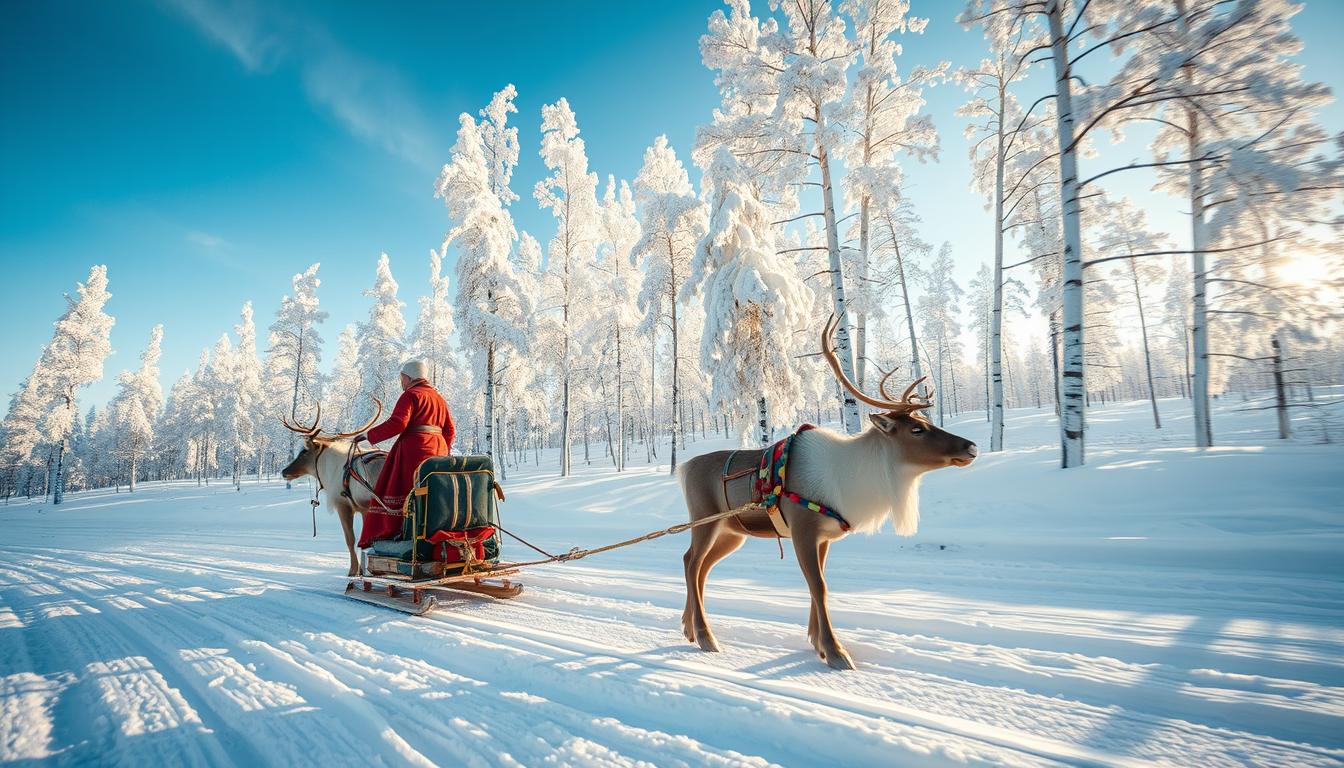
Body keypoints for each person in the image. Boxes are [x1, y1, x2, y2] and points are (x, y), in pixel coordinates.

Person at [354, 360, 456, 548]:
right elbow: (450, 430)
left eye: (402, 378)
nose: (401, 382)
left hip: (414, 452)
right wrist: (443, 451)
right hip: (438, 452)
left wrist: (369, 435)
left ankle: (398, 532)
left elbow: (398, 423)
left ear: (408, 378)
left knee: (397, 490)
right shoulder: (439, 398)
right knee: (430, 494)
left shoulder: (410, 395)